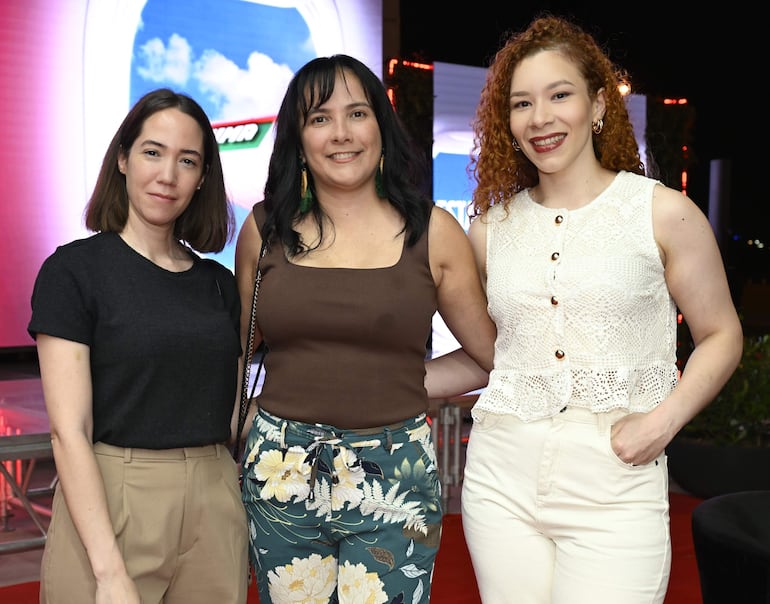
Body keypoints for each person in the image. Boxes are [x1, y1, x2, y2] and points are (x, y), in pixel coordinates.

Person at [429, 14, 744, 604]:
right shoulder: (490, 230)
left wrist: (664, 421)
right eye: (522, 103)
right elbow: (496, 356)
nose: (540, 117)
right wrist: (379, 384)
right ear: (507, 122)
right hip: (500, 479)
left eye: (560, 95)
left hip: (617, 480)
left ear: (598, 105)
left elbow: (722, 334)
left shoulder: (662, 212)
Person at [233, 54, 495, 603]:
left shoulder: (433, 232)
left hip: (396, 471)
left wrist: (398, 384)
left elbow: (486, 356)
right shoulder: (264, 229)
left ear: (381, 126)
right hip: (281, 470)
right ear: (298, 139)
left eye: (357, 113)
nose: (341, 133)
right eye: (319, 118)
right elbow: (240, 350)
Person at [28, 88, 249, 603]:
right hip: (111, 497)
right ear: (123, 159)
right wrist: (109, 573)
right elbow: (68, 432)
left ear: (202, 178)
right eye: (153, 152)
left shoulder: (218, 284)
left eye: (187, 160)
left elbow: (231, 412)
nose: (168, 175)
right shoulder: (74, 272)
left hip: (214, 496)